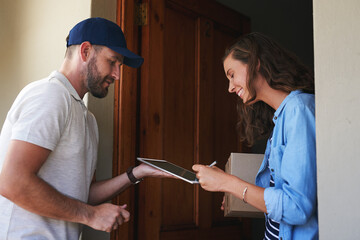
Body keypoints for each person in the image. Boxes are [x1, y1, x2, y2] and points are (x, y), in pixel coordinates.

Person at [0, 17, 171, 239]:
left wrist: (137, 173)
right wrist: (90, 216)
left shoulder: (87, 118)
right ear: (86, 51)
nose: (117, 75)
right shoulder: (50, 96)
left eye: (119, 66)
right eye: (112, 62)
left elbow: (83, 195)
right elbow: (12, 182)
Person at [192, 32, 317, 239]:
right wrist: (237, 194)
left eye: (232, 75)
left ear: (255, 63)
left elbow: (297, 207)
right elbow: (279, 201)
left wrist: (227, 183)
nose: (230, 87)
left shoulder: (298, 110)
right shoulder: (282, 117)